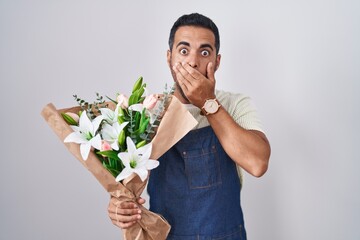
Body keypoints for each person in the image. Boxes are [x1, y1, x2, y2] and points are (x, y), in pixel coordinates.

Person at [107, 13, 271, 239]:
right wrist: (119, 208)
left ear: (218, 61)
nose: (193, 62)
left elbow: (258, 163)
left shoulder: (235, 105)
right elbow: (126, 191)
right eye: (184, 51)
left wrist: (208, 103)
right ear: (169, 57)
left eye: (205, 52)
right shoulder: (147, 112)